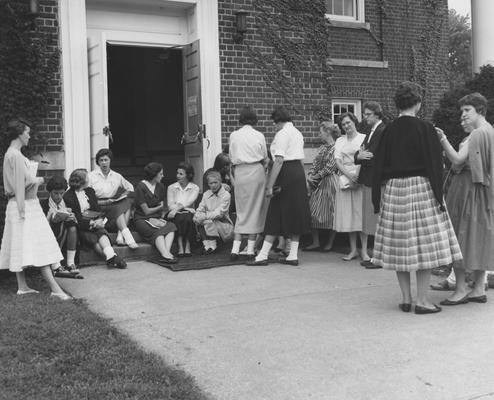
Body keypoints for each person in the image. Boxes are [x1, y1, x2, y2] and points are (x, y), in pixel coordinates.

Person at [371, 81, 462, 314]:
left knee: (400, 246)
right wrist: (439, 197)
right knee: (424, 247)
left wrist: (376, 198)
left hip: (393, 190)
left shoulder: (387, 130)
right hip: (422, 187)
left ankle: (406, 299)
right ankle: (422, 301)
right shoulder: (426, 128)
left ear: (397, 104)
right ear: (418, 103)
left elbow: (377, 165)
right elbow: (436, 165)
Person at [0, 118, 70, 299]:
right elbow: (19, 187)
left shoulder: (14, 154)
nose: (29, 136)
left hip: (21, 205)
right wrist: (36, 181)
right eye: (27, 133)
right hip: (25, 207)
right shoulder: (14, 155)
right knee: (41, 245)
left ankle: (22, 286)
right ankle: (55, 289)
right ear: (19, 134)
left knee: (21, 244)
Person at [435, 92, 494, 305]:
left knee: (459, 236)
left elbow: (458, 161)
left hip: (467, 189)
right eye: (462, 111)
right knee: (479, 237)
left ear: (480, 110)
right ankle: (478, 288)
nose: (463, 115)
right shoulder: (490, 131)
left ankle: (460, 289)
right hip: (484, 191)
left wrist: (442, 139)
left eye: (467, 110)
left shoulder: (478, 133)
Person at [248, 106, 311, 266]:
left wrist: (270, 185)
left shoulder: (282, 134)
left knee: (275, 213)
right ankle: (293, 255)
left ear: (278, 120)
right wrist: (304, 181)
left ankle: (262, 255)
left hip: (286, 173)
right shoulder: (297, 132)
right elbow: (301, 159)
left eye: (274, 123)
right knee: (295, 214)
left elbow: (279, 160)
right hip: (297, 172)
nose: (274, 126)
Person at [64, 168, 127, 269]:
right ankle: (112, 257)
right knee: (94, 239)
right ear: (82, 181)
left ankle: (111, 257)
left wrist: (100, 220)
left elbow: (96, 209)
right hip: (81, 226)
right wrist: (91, 223)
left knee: (101, 233)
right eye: (87, 177)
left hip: (95, 223)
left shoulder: (90, 191)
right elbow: (77, 217)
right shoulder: (68, 196)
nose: (89, 179)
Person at [229, 106, 268, 261]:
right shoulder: (259, 135)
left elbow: (231, 155)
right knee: (255, 210)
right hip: (256, 172)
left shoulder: (234, 135)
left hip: (240, 172)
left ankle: (235, 248)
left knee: (241, 210)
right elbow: (264, 155)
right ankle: (251, 249)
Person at [354, 101, 386, 268]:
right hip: (368, 179)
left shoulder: (382, 130)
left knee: (377, 217)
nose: (365, 117)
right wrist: (359, 156)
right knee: (369, 217)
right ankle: (374, 255)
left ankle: (379, 256)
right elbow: (360, 152)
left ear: (376, 114)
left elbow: (375, 155)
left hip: (377, 180)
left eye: (368, 114)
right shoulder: (370, 131)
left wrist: (363, 155)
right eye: (364, 114)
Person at [88, 148, 138, 249]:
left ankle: (120, 235)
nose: (104, 163)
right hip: (98, 206)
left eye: (106, 160)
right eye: (101, 160)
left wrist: (123, 195)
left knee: (127, 203)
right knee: (120, 209)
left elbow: (130, 188)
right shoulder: (91, 176)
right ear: (98, 162)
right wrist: (104, 202)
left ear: (110, 160)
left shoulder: (117, 176)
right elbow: (87, 196)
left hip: (112, 205)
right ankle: (127, 237)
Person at [333, 112, 366, 261]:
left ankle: (364, 251)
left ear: (354, 121)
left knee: (361, 215)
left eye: (348, 122)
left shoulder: (363, 138)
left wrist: (357, 176)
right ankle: (353, 250)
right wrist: (349, 175)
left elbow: (366, 158)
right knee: (349, 215)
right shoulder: (340, 141)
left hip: (361, 177)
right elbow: (338, 161)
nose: (346, 126)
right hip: (346, 178)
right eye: (343, 124)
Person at [303, 121, 340, 252]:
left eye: (321, 132)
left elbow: (331, 167)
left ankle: (330, 242)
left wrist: (316, 176)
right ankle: (316, 242)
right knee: (312, 211)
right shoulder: (323, 148)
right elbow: (315, 163)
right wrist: (310, 175)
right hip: (318, 182)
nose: (319, 135)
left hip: (331, 182)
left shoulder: (337, 147)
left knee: (333, 212)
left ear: (328, 132)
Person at [133, 162, 177, 263]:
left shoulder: (160, 186)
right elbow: (146, 211)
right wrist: (159, 207)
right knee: (158, 233)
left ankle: (167, 253)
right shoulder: (141, 187)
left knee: (171, 227)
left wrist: (159, 218)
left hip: (156, 218)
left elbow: (161, 208)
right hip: (142, 219)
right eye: (160, 174)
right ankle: (165, 254)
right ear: (154, 174)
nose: (163, 176)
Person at [40, 175, 80, 276]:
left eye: (62, 193)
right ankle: (56, 265)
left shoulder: (69, 202)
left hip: (67, 234)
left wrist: (73, 217)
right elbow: (40, 226)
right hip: (50, 234)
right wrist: (50, 217)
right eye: (55, 193)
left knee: (72, 226)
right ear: (50, 192)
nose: (59, 196)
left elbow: (79, 219)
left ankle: (70, 263)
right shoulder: (43, 204)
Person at [193, 170, 234, 254]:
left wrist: (204, 216)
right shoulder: (206, 194)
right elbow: (200, 208)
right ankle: (207, 246)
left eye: (215, 182)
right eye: (211, 183)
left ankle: (213, 245)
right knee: (201, 220)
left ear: (220, 182)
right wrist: (196, 216)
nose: (213, 185)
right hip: (209, 221)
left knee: (207, 221)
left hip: (222, 223)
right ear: (208, 184)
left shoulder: (226, 195)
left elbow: (219, 213)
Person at [167, 162, 200, 257]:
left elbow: (189, 202)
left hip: (186, 213)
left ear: (188, 175)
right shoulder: (171, 187)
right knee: (180, 218)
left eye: (181, 174)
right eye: (177, 173)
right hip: (176, 214)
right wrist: (176, 209)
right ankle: (181, 246)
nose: (178, 176)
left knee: (188, 218)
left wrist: (177, 207)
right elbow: (170, 205)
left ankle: (188, 246)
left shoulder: (195, 188)